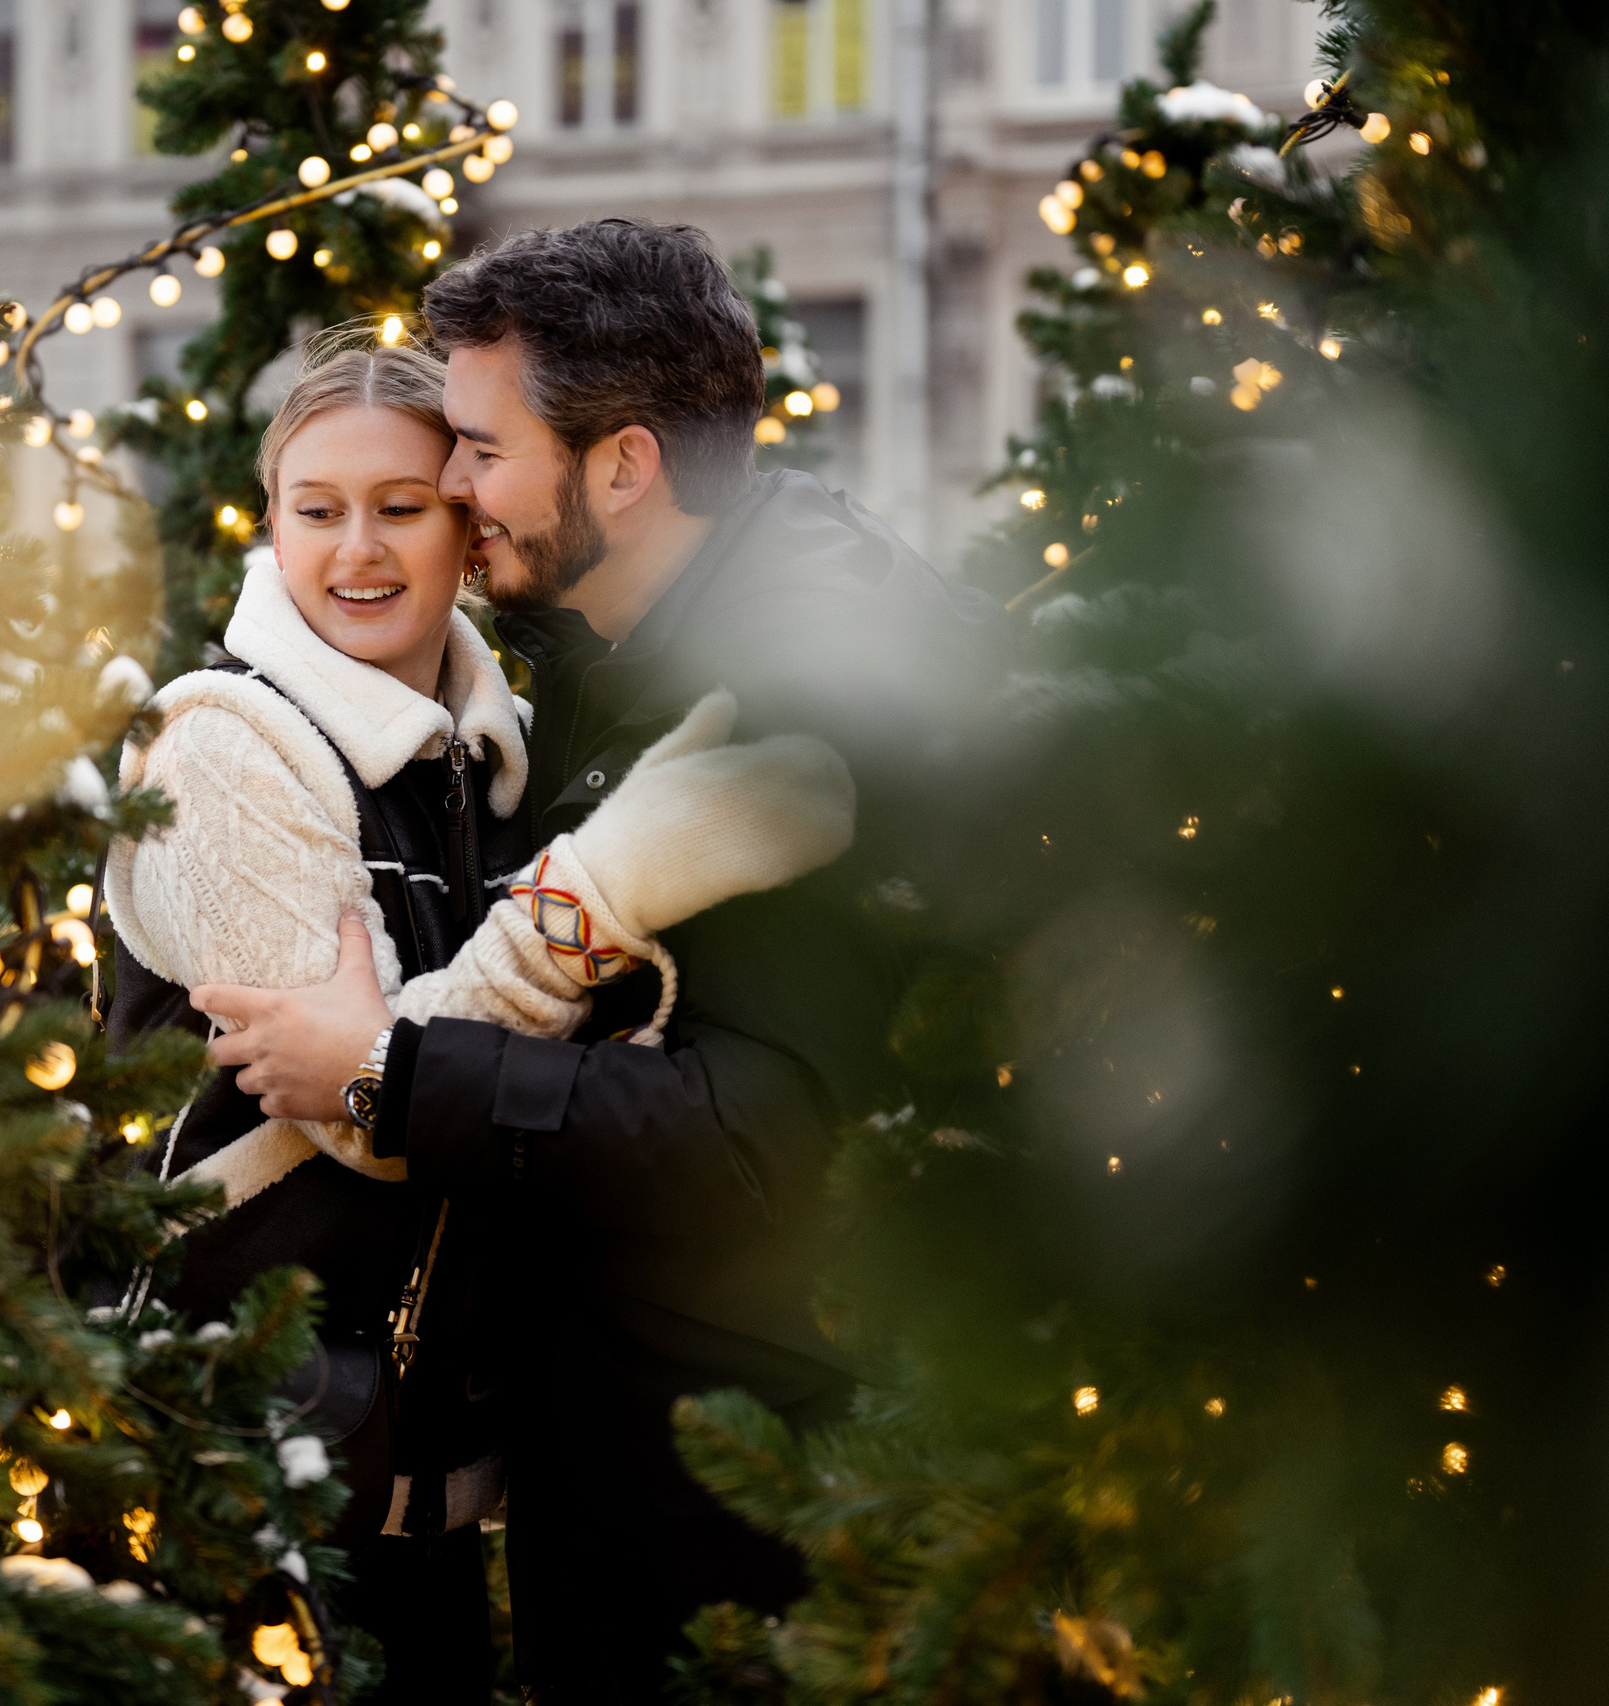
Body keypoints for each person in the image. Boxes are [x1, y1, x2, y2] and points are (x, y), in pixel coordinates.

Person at [191, 222, 1003, 1700]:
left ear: (622, 466)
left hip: (743, 1497)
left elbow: (768, 1139)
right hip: (632, 1447)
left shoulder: (790, 697)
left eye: (483, 451)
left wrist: (395, 1072)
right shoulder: (605, 643)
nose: (449, 487)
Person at [98, 333, 854, 1702]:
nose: (356, 551)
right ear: (269, 523)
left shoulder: (489, 757)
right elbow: (358, 1115)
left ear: (466, 525)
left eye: (401, 505)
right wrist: (596, 892)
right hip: (240, 1492)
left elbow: (418, 1067)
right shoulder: (216, 747)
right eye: (314, 509)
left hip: (420, 1509)